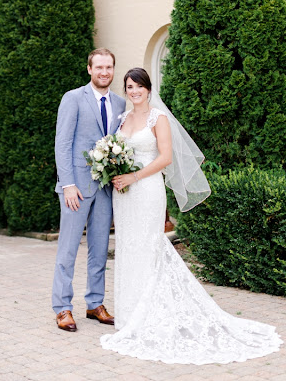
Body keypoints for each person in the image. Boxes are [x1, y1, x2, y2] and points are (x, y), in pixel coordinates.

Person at [101, 67, 282, 364]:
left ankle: (151, 316)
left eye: (139, 86)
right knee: (129, 249)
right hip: (124, 196)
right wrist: (115, 171)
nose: (134, 91)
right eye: (129, 86)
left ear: (148, 89)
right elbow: (119, 153)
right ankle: (131, 315)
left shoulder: (157, 118)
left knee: (148, 247)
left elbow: (165, 157)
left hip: (146, 189)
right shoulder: (123, 119)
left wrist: (133, 177)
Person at [52, 48, 127, 331]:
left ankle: (95, 303)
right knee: (68, 249)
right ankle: (62, 308)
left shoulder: (120, 103)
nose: (104, 72)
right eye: (99, 67)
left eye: (109, 67)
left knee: (99, 249)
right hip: (76, 188)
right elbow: (63, 143)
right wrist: (68, 184)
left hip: (106, 188)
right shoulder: (73, 98)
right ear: (89, 69)